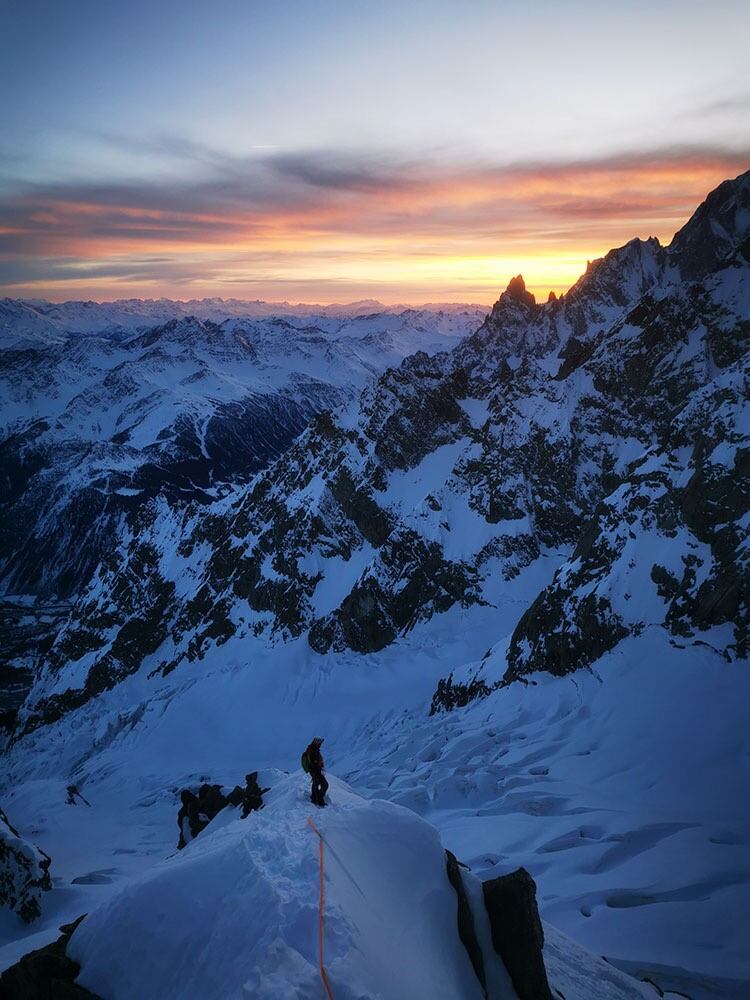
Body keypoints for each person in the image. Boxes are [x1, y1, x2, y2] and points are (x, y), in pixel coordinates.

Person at [303, 737, 329, 807]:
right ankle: (318, 800)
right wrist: (317, 769)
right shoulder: (313, 750)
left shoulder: (314, 749)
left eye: (320, 742)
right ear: (315, 742)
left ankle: (315, 798)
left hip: (316, 770)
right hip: (315, 770)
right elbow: (313, 762)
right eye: (319, 741)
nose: (320, 743)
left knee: (318, 783)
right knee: (322, 784)